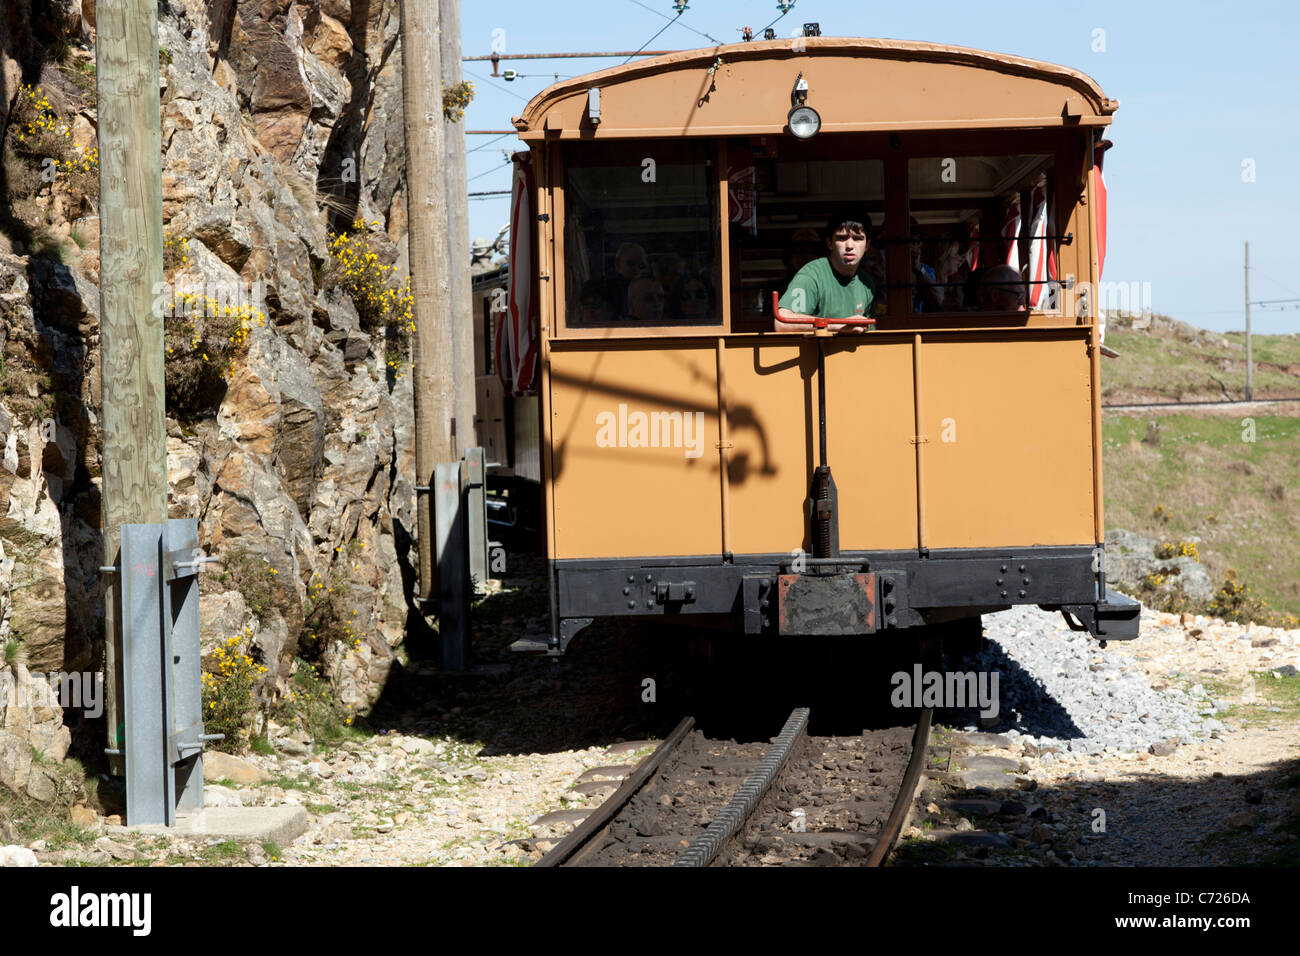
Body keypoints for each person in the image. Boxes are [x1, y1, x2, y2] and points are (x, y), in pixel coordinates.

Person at [775, 209, 879, 332]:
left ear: (867, 245)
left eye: (857, 239)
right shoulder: (811, 275)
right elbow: (781, 323)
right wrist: (836, 326)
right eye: (842, 238)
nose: (850, 245)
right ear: (829, 243)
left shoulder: (867, 284)